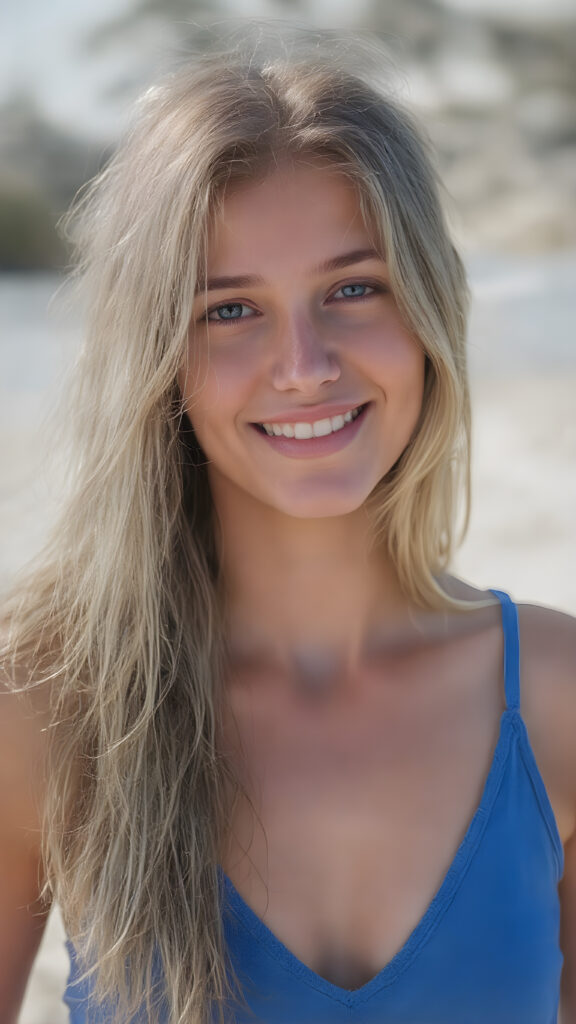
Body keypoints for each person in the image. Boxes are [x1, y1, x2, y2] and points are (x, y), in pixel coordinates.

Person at [1, 25, 575, 1024]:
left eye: (354, 289)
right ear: (162, 358)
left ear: (427, 310)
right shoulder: (49, 713)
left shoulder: (559, 700)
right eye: (230, 310)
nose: (304, 364)